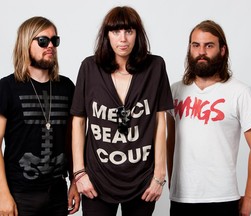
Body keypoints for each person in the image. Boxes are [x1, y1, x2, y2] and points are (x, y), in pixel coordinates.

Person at [70, 6, 174, 216]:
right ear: (107, 35)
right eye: (116, 31)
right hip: (97, 179)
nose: (123, 39)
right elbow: (79, 121)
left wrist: (159, 175)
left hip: (142, 179)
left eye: (129, 31)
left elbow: (160, 121)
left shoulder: (155, 67)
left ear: (138, 34)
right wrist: (79, 173)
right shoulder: (90, 68)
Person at [166, 20, 251, 216]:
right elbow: (172, 141)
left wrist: (250, 198)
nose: (201, 51)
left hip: (222, 198)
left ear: (222, 50)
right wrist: (172, 183)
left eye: (209, 45)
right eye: (196, 45)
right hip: (181, 198)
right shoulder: (175, 91)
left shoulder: (240, 92)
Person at [0, 16, 80, 216]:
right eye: (43, 41)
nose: (50, 46)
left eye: (55, 40)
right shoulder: (6, 87)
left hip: (57, 192)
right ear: (26, 43)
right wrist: (3, 195)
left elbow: (73, 140)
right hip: (20, 193)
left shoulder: (67, 86)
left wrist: (75, 182)